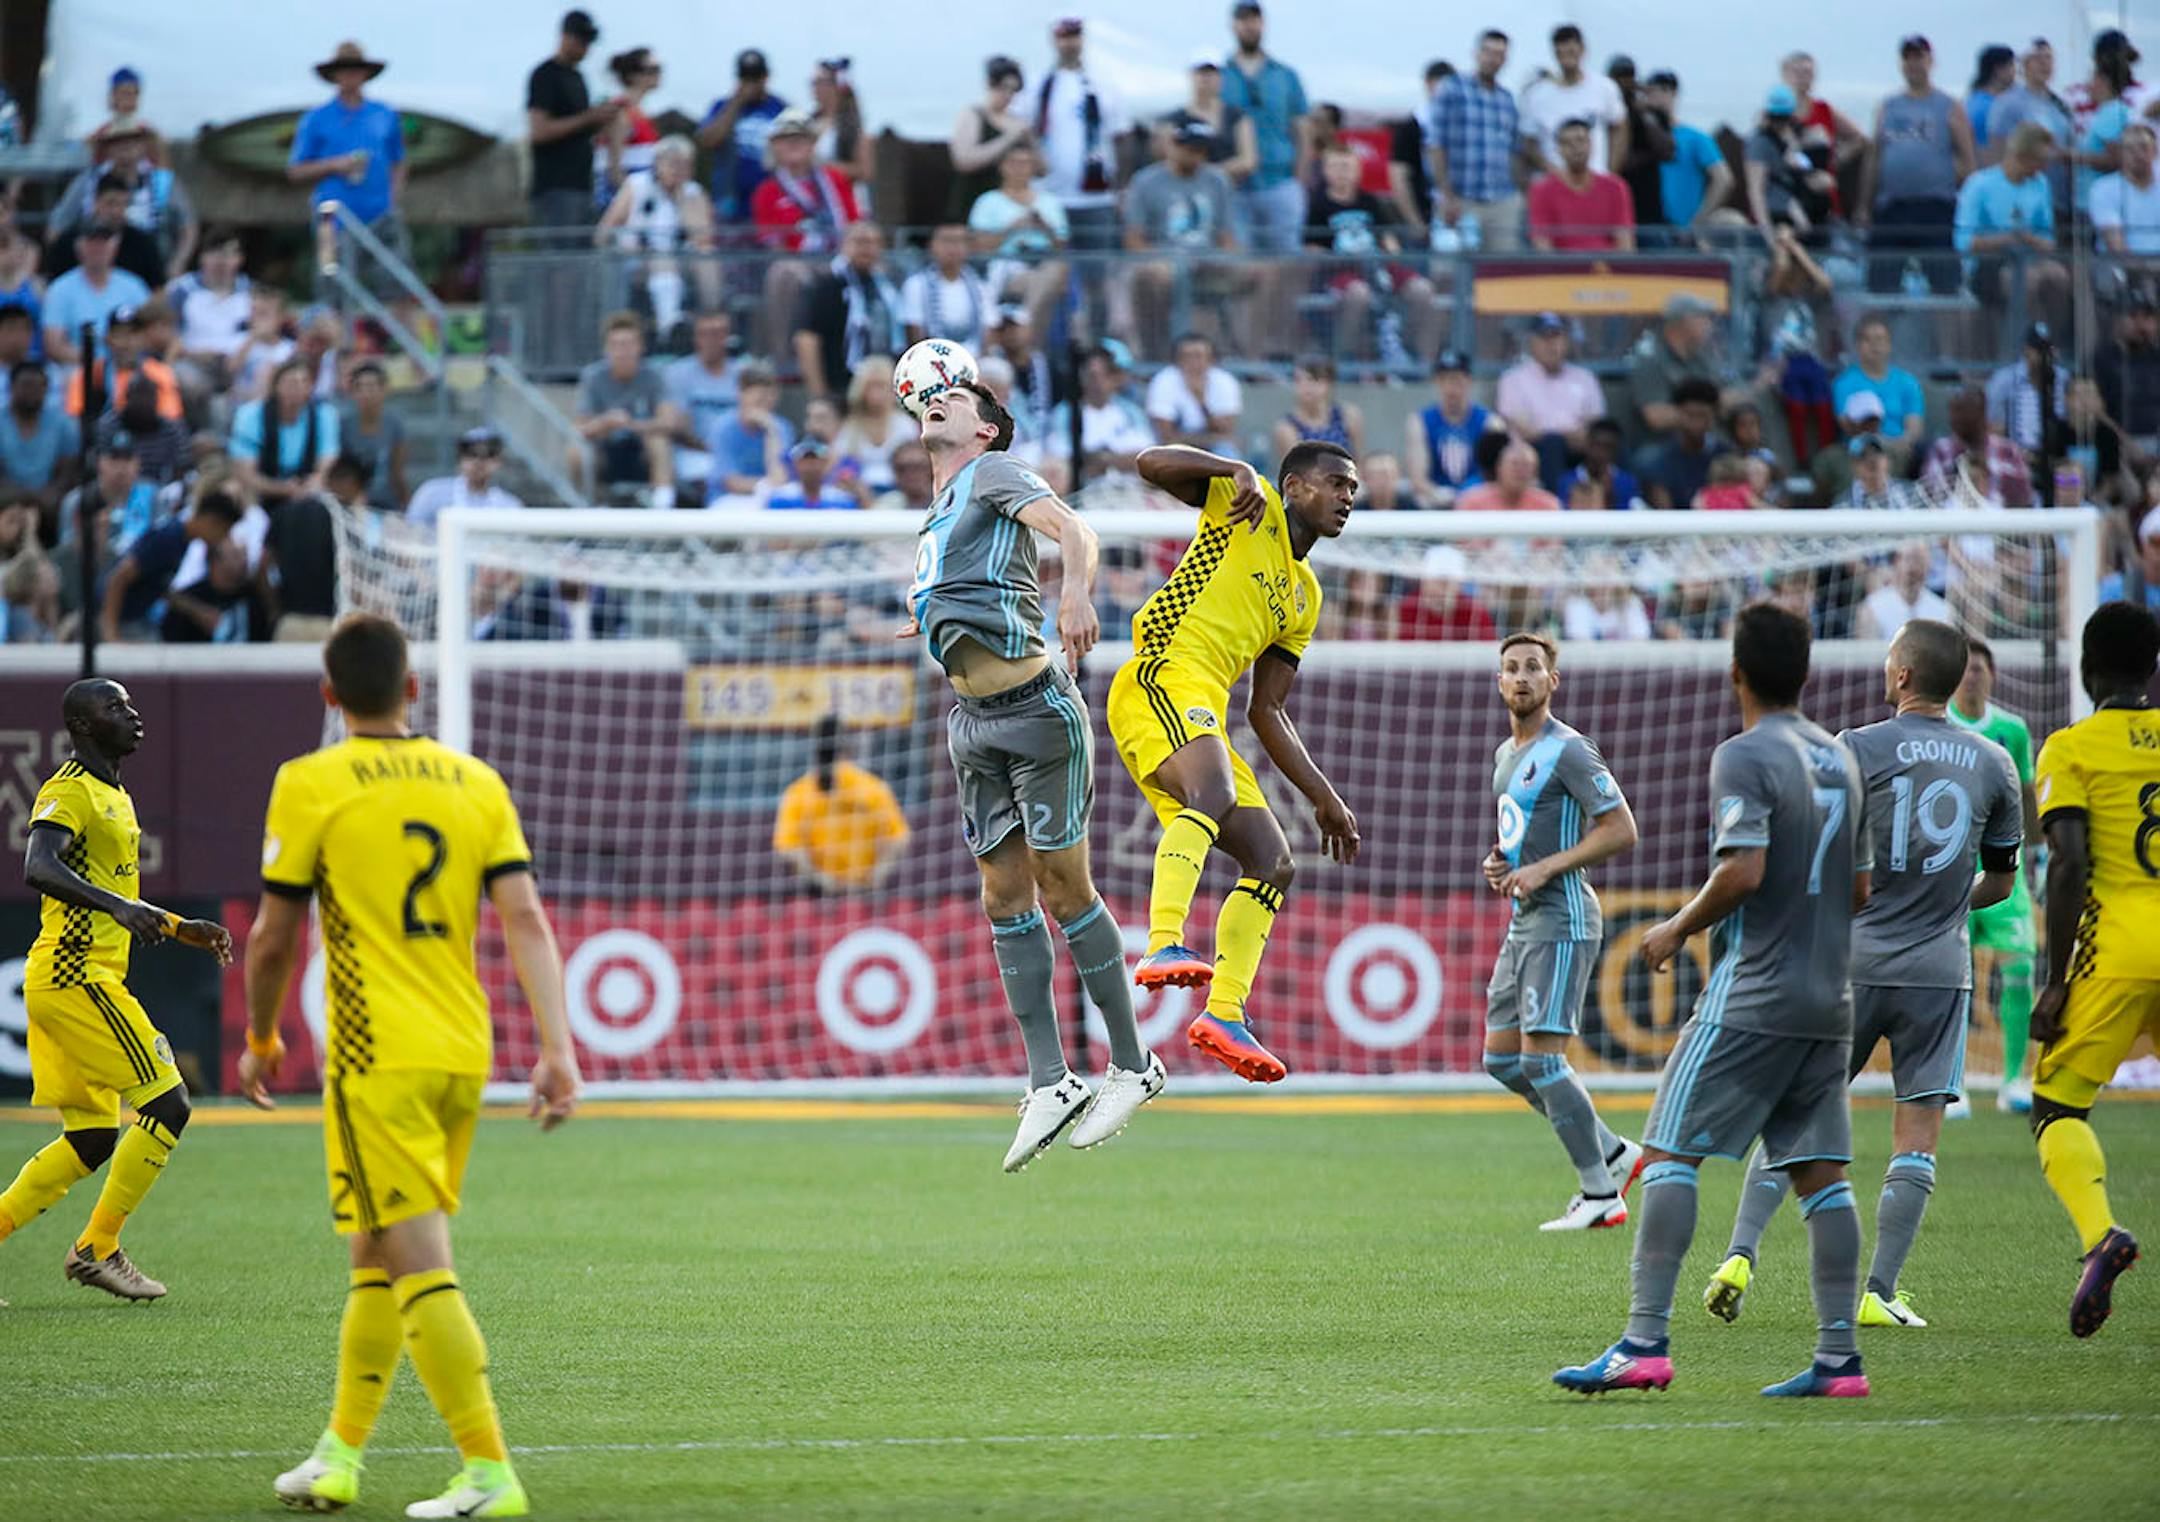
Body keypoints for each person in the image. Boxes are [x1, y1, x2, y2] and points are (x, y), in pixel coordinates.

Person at [240, 614, 581, 1516]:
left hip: (374, 1055)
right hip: (461, 1051)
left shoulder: (308, 782)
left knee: (420, 1260)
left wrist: (263, 1036)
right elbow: (526, 921)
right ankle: (339, 1455)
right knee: (377, 1253)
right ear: (414, 689)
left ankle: (489, 1472)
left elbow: (273, 935)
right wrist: (556, 1050)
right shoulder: (474, 781)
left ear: (329, 696)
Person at [1555, 602, 1873, 1399]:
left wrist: (1672, 929)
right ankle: (1839, 1360)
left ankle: (1642, 1344)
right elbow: (1862, 887)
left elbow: (1743, 870)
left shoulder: (1742, 754)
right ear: (1807, 672)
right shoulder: (1842, 759)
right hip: (1831, 994)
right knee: (1822, 1174)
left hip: (1755, 992)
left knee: (1667, 1154)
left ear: (1734, 672)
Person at [1708, 620, 2022, 1329]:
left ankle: (1740, 1254)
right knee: (1916, 1135)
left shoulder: (1855, 748)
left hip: (1848, 962)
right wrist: (1944, 905)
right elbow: (2002, 881)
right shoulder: (1994, 762)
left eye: (1889, 660)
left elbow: (1818, 856)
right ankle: (1879, 1292)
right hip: (1938, 971)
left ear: (1903, 677)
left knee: (1794, 1111)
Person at [903, 379, 1161, 1167]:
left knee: (1062, 883)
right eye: (929, 397)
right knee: (1001, 895)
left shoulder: (995, 472)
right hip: (969, 724)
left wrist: (1076, 594)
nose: (936, 402)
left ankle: (1132, 1064)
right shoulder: (938, 509)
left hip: (1038, 709)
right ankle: (1050, 1080)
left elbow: (1073, 529)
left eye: (955, 398)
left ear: (987, 431)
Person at [1110, 440, 1360, 1084]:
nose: (1347, 499)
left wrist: (1322, 796)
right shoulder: (1243, 504)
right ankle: (1162, 940)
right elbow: (1148, 463)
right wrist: (1231, 467)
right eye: (1335, 484)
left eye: (1353, 490)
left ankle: (1223, 1013)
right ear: (1294, 486)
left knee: (1273, 859)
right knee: (1213, 793)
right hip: (1159, 673)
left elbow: (1267, 710)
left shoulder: (1304, 596)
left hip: (1208, 706)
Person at [0, 678, 231, 1302]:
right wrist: (119, 907)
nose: (131, 715)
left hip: (74, 978)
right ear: (80, 727)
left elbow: (114, 893)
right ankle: (97, 1248)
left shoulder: (114, 794)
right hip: (76, 974)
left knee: (92, 1138)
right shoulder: (70, 790)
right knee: (169, 1102)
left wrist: (181, 928)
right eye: (114, 708)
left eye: (130, 704)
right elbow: (38, 865)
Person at [1478, 632, 1645, 1229]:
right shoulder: (1505, 756)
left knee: (1544, 1061)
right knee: (1502, 1061)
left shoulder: (1571, 750)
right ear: (1499, 683)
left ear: (1553, 681)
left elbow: (1621, 829)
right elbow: (1520, 834)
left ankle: (1601, 1195)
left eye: (1532, 668)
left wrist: (1545, 868)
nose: (1521, 677)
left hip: (1565, 915)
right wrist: (1504, 862)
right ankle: (1613, 1150)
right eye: (1510, 669)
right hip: (1526, 921)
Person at [2025, 602, 2160, 1338]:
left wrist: (2056, 980)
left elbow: (2070, 859)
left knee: (2057, 1108)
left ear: (2085, 668)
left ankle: (2102, 1234)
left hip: (2118, 949)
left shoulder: (2070, 748)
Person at [1945, 636, 2043, 1113]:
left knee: (2020, 966)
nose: (1972, 675)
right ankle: (1953, 1083)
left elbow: (2026, 795)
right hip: (1954, 867)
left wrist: (2039, 852)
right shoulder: (1939, 725)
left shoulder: (2012, 729)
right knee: (1952, 973)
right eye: (1965, 668)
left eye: (1980, 668)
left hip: (2006, 867)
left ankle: (2013, 1082)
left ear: (1993, 675)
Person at [1863, 36, 1977, 296]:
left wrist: (1968, 202)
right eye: (1909, 58)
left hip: (1935, 208)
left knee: (1945, 284)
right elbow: (1874, 157)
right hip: (1892, 207)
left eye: (1919, 57)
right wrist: (1863, 205)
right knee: (1881, 282)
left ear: (1930, 61)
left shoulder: (1949, 106)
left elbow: (1967, 158)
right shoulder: (1888, 106)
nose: (1914, 63)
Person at [598, 135, 719, 340]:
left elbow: (703, 239)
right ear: (657, 163)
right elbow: (603, 233)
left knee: (709, 257)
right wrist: (626, 245)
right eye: (672, 162)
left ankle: (714, 320)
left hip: (682, 261)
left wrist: (681, 200)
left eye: (684, 164)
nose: (677, 169)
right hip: (635, 260)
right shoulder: (636, 185)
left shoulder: (694, 192)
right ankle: (669, 328)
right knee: (662, 259)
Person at [773, 715, 910, 893]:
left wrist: (820, 878)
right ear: (848, 747)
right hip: (857, 893)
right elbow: (898, 839)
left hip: (826, 895)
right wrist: (876, 875)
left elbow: (789, 848)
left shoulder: (798, 793)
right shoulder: (873, 787)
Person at [288, 42, 405, 246]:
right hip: (330, 217)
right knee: (330, 273)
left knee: (395, 273)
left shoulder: (385, 114)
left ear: (366, 73)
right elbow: (295, 171)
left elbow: (399, 162)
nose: (350, 75)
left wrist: (392, 200)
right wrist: (335, 165)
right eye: (344, 69)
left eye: (356, 69)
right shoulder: (315, 118)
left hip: (380, 216)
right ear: (334, 75)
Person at [1219, 2, 1310, 254]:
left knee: (1285, 262)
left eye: (1254, 19)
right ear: (1233, 25)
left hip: (1280, 183)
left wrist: (1299, 179)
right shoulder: (1219, 75)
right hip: (1233, 188)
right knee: (1240, 265)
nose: (1249, 26)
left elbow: (1303, 131)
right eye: (1243, 20)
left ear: (1263, 24)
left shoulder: (1286, 75)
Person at [1956, 123, 2067, 326]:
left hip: (2029, 258)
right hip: (1987, 264)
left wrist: (2031, 240)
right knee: (2025, 279)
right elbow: (1964, 242)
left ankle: (2052, 343)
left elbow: (2048, 238)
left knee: (2057, 276)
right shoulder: (1979, 185)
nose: (2046, 167)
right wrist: (2009, 238)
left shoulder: (2040, 184)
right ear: (2023, 157)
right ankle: (2018, 346)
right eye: (2041, 161)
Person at [1033, 17, 1128, 252]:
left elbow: (1122, 136)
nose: (1069, 43)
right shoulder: (1038, 85)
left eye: (1074, 37)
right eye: (1063, 37)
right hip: (1048, 195)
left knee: (1097, 271)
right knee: (1052, 270)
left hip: (1096, 196)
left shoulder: (1104, 83)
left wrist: (1121, 186)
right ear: (1054, 41)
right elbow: (1024, 131)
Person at [99, 487, 241, 642]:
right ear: (213, 522)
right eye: (225, 531)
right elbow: (118, 578)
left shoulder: (182, 541)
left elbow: (158, 586)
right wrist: (111, 633)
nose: (224, 538)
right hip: (114, 619)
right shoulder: (169, 538)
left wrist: (198, 612)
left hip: (131, 619)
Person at [1428, 29, 1524, 252]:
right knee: (1450, 274)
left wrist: (1520, 194)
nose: (1493, 59)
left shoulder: (1507, 99)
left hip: (1501, 201)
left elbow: (1514, 151)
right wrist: (1446, 194)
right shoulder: (1452, 88)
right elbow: (1435, 144)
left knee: (1502, 276)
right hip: (1460, 198)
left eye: (1499, 54)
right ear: (1476, 53)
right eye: (1488, 51)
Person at [574, 311, 679, 504]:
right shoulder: (593, 377)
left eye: (628, 344)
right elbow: (581, 428)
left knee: (659, 442)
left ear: (640, 347)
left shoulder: (655, 376)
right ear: (606, 349)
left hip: (641, 451)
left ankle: (663, 508)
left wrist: (631, 425)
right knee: (576, 452)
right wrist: (606, 422)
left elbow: (669, 422)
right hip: (607, 449)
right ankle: (589, 509)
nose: (623, 352)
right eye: (616, 345)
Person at [791, 222, 901, 402]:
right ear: (844, 245)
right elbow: (806, 340)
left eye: (874, 243)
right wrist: (820, 395)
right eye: (860, 242)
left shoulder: (888, 288)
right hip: (841, 388)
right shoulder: (825, 284)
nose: (867, 249)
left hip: (884, 388)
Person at [526, 9, 617, 227]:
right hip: (555, 188)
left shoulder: (577, 78)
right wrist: (588, 117)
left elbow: (580, 127)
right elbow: (539, 131)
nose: (586, 48)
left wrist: (600, 120)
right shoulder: (545, 75)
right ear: (566, 36)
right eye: (582, 40)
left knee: (581, 257)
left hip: (582, 185)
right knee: (561, 259)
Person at [1498, 312, 1605, 486]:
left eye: (1556, 337)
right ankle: (1555, 508)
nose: (1551, 344)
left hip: (1580, 449)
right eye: (1544, 338)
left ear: (1566, 342)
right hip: (1535, 452)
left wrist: (1569, 436)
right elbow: (1526, 432)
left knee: (1610, 444)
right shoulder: (1513, 379)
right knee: (1552, 444)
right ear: (1532, 343)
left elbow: (1594, 426)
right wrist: (1564, 435)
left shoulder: (1584, 378)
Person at [232, 357, 340, 510]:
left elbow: (328, 458)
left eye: (304, 382)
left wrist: (316, 480)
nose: (299, 387)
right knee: (236, 491)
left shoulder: (325, 414)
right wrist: (282, 489)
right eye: (292, 382)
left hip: (308, 490)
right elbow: (245, 472)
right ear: (276, 386)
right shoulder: (250, 414)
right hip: (262, 489)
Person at [1520, 25, 1627, 177]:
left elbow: (1619, 127)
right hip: (1555, 185)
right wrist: (1551, 170)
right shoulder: (1536, 94)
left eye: (1571, 51)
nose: (1567, 58)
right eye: (1561, 52)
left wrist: (1610, 171)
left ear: (1582, 50)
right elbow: (1529, 142)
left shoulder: (1604, 87)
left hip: (1595, 182)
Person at [698, 48, 790, 223]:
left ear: (766, 77)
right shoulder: (721, 106)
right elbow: (708, 140)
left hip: (770, 196)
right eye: (745, 78)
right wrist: (736, 102)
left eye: (755, 78)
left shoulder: (780, 108)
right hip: (729, 198)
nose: (751, 84)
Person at [1043, 344, 1153, 486]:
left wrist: (1106, 460)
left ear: (1115, 378)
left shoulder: (1131, 412)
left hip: (1129, 492)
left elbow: (1145, 458)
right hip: (1082, 494)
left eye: (1105, 375)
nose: (1098, 382)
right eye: (1092, 375)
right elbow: (1059, 458)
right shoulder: (1065, 413)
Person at [41, 224, 150, 366]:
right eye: (91, 242)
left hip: (129, 365)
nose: (98, 248)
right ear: (79, 248)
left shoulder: (134, 286)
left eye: (103, 242)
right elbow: (54, 346)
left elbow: (149, 335)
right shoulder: (60, 289)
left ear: (114, 247)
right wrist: (99, 363)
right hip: (78, 367)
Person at [1642, 71, 1733, 236]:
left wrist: (1698, 221)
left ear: (1673, 94)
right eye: (1648, 93)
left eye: (1659, 92)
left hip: (1682, 232)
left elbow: (1723, 179)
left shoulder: (1695, 138)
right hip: (1646, 231)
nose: (1653, 99)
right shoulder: (1640, 139)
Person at [1528, 117, 1635, 251]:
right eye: (1567, 143)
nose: (1576, 148)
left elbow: (1625, 242)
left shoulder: (1616, 187)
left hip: (1606, 268)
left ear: (1591, 144)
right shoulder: (1542, 190)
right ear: (1558, 149)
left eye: (1581, 140)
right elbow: (1542, 243)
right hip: (1562, 269)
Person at [1746, 86, 1837, 242]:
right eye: (1776, 117)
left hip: (1809, 207)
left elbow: (1822, 142)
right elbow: (1756, 190)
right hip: (1780, 212)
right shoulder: (1760, 141)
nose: (1780, 122)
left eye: (1784, 117)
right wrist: (1767, 232)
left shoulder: (1799, 132)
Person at [947, 57, 1032, 222]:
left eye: (1013, 90)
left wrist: (1031, 141)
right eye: (1003, 88)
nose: (1008, 96)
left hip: (1007, 207)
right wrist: (1008, 138)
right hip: (973, 197)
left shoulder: (1017, 122)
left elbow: (1041, 169)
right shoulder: (973, 115)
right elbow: (963, 160)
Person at [1407, 348, 1497, 501]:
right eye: (1444, 380)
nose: (1451, 388)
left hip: (1480, 499)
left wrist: (1471, 497)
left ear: (1469, 381)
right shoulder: (1420, 421)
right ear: (1437, 383)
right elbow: (1418, 479)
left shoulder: (1490, 423)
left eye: (1456, 380)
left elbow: (1496, 476)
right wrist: (1439, 494)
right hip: (1436, 499)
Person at [1159, 55, 1258, 182]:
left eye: (1211, 73)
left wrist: (1207, 173)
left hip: (1230, 190)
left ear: (1221, 77)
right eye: (1201, 72)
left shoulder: (1237, 116)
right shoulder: (1174, 119)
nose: (1206, 78)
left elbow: (1249, 160)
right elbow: (1167, 157)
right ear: (1191, 76)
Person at [900, 224, 994, 353]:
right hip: (932, 357)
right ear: (932, 246)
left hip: (973, 357)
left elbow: (989, 329)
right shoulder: (916, 284)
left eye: (959, 241)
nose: (953, 247)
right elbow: (915, 332)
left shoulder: (981, 286)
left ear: (969, 247)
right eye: (946, 241)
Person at [1145, 333, 1241, 454]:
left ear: (1211, 359)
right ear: (1177, 360)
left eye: (1198, 356)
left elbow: (1226, 430)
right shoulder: (1164, 381)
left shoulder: (1224, 381)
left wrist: (1201, 401)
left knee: (1226, 452)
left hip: (1213, 448)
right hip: (1175, 450)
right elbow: (1166, 436)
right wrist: (1208, 439)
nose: (1193, 362)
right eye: (1187, 356)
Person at [408, 427, 525, 528]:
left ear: (499, 462)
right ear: (460, 459)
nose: (478, 461)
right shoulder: (432, 493)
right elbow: (410, 536)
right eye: (471, 454)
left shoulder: (510, 506)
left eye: (488, 454)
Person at [592, 47, 663, 210]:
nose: (658, 75)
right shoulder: (621, 112)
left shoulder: (640, 112)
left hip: (634, 195)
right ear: (633, 75)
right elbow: (614, 169)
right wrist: (633, 203)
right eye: (652, 70)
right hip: (620, 202)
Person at [1643, 377, 1727, 509]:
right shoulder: (1660, 463)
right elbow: (1665, 517)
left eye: (1702, 415)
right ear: (1678, 414)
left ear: (1712, 416)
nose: (1696, 423)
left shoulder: (1726, 456)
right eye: (1690, 415)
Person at [338, 361, 408, 509]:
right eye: (359, 387)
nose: (365, 393)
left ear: (384, 389)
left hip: (386, 502)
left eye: (371, 387)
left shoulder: (394, 425)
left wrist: (407, 505)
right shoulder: (343, 425)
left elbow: (397, 473)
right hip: (350, 503)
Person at [1272, 354, 1363, 461]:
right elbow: (1293, 470)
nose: (1306, 386)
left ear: (1329, 382)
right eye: (1298, 380)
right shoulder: (1286, 428)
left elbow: (1359, 461)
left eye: (1313, 379)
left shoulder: (1349, 416)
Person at [1855, 544, 1954, 639]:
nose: (1913, 567)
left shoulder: (1943, 610)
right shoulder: (1872, 608)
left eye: (1919, 560)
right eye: (1909, 559)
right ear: (1895, 562)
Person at [2091, 121, 2160, 254]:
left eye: (2144, 147)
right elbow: (2115, 246)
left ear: (2155, 151)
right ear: (2120, 154)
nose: (2138, 154)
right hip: (2120, 269)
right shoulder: (2102, 189)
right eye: (2130, 149)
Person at [1558, 418, 1642, 509]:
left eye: (1608, 447)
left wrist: (1610, 496)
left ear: (1617, 450)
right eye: (1598, 446)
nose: (1602, 453)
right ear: (1587, 445)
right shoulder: (1566, 481)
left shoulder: (1627, 482)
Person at [1458, 439, 1561, 511]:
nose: (1520, 471)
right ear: (1499, 468)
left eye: (1527, 465)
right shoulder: (1473, 502)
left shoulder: (1548, 506)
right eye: (1514, 464)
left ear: (1535, 473)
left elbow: (1553, 541)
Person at [1970, 45, 2019, 151]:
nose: (2016, 72)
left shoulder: (1970, 102)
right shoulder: (1993, 108)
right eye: (2011, 65)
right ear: (1998, 70)